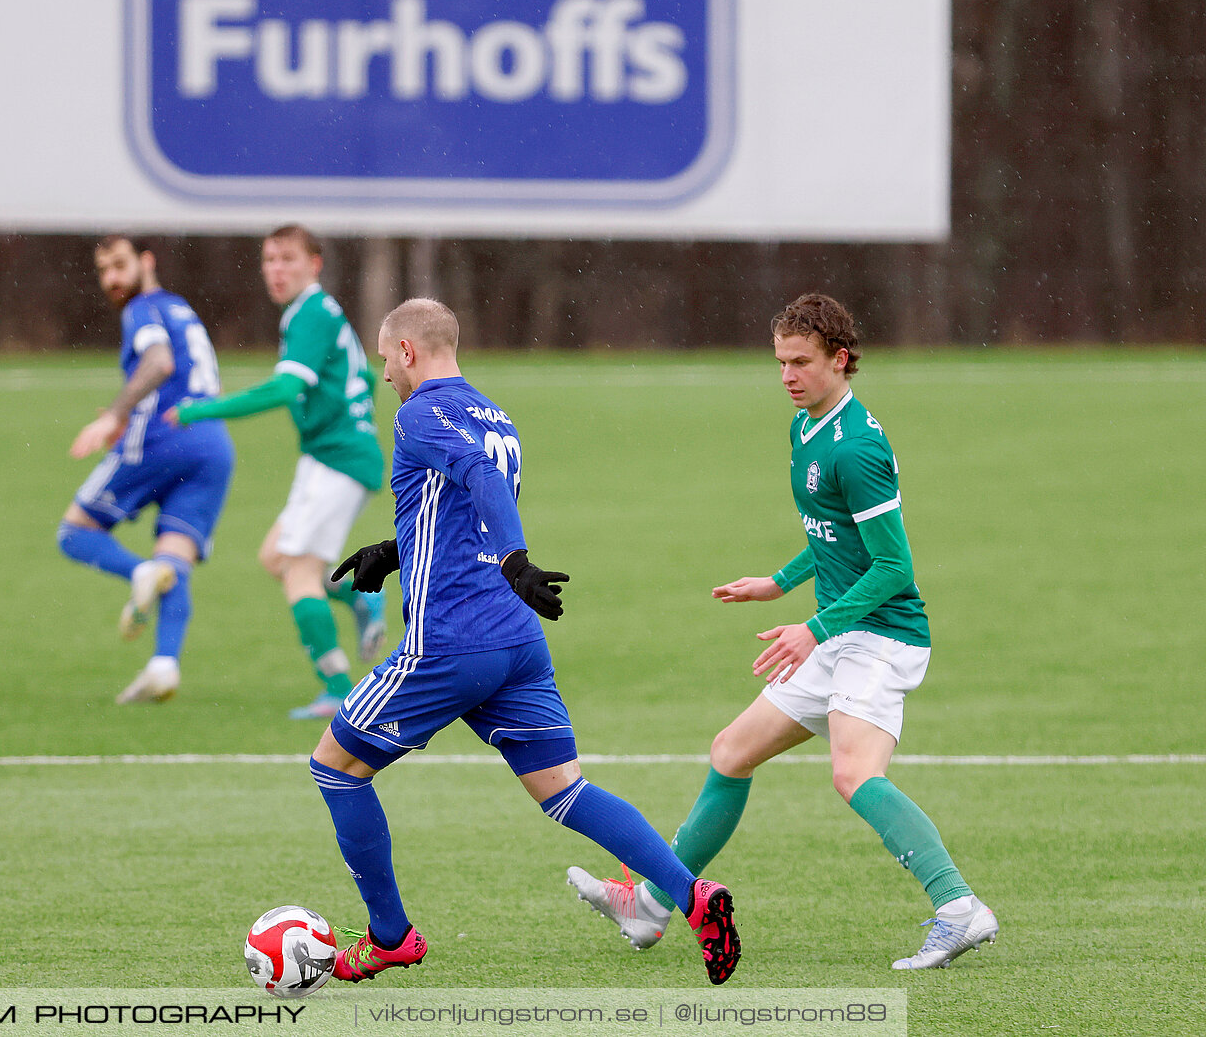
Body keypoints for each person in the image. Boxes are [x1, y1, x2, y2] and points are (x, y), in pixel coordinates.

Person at [310, 299, 740, 986]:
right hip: (516, 642)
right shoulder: (493, 413)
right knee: (564, 789)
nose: (383, 371)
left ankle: (390, 935)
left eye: (385, 357)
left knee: (335, 766)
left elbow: (479, 482)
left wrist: (515, 560)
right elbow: (461, 507)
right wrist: (395, 550)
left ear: (410, 352)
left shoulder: (419, 412)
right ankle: (693, 897)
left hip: (450, 641)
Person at [568, 293, 997, 971]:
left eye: (802, 362)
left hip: (880, 636)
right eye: (780, 363)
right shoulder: (806, 429)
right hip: (837, 630)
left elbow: (893, 564)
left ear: (841, 359)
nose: (788, 375)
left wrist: (813, 627)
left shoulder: (854, 446)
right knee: (732, 751)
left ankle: (959, 908)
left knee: (854, 775)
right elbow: (832, 536)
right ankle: (653, 904)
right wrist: (778, 581)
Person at [165, 225, 389, 720]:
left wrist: (200, 410)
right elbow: (366, 377)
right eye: (268, 260)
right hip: (328, 458)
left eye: (287, 258)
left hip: (338, 461)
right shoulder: (314, 312)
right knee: (274, 557)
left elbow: (284, 390)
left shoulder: (310, 312)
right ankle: (364, 599)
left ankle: (338, 689)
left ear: (315, 264)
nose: (276, 269)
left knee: (298, 572)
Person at [59, 236, 236, 704]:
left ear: (147, 262)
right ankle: (163, 666)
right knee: (174, 561)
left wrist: (116, 415)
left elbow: (160, 362)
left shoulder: (142, 309)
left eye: (119, 265)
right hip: (212, 444)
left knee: (75, 532)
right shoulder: (181, 308)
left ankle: (139, 572)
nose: (112, 279)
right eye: (103, 270)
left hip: (162, 435)